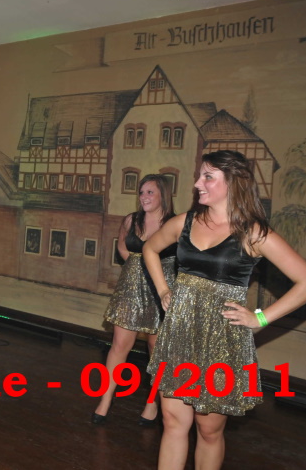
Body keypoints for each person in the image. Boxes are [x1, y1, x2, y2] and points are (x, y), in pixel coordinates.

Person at [143, 150, 306, 470]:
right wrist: (163, 290)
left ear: (233, 182)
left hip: (222, 342)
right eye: (200, 176)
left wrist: (260, 317)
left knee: (209, 430)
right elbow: (150, 248)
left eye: (208, 177)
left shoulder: (254, 232)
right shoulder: (185, 222)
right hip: (179, 335)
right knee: (172, 422)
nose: (197, 183)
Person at [93, 174, 176, 425]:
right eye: (141, 192)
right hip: (131, 287)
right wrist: (137, 266)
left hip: (161, 287)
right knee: (119, 345)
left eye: (150, 192)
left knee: (156, 348)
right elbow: (122, 247)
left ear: (163, 194)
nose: (144, 197)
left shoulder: (175, 223)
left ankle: (152, 403)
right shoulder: (131, 219)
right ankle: (105, 400)